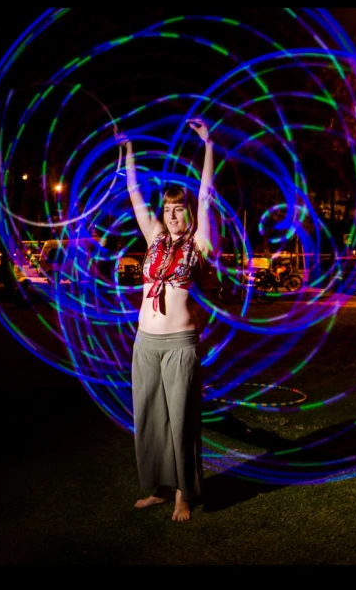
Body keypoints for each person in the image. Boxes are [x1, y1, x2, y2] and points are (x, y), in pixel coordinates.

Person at [114, 118, 217, 522]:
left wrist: (208, 144)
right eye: (169, 210)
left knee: (181, 422)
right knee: (150, 417)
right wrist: (129, 151)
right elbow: (135, 193)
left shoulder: (199, 242)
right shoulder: (154, 236)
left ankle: (182, 494)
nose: (173, 216)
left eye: (179, 210)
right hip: (145, 342)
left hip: (179, 345)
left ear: (188, 213)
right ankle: (157, 487)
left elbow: (207, 195)